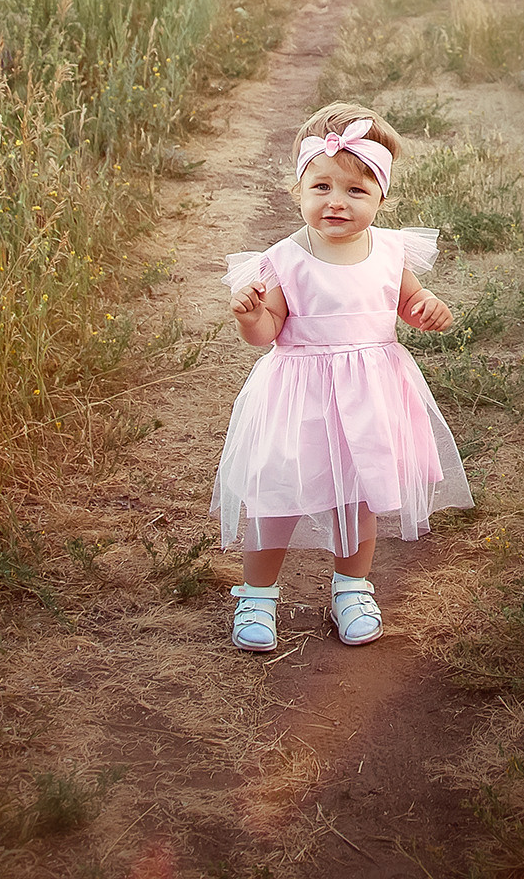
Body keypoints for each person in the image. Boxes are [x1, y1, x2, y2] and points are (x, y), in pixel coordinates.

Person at [211, 102, 473, 652]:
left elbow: (407, 301)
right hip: (298, 396)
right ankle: (258, 594)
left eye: (356, 191)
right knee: (276, 492)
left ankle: (351, 587)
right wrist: (250, 314)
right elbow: (267, 334)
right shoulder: (282, 260)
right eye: (322, 186)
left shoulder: (389, 251)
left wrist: (426, 306)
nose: (337, 201)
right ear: (298, 190)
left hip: (370, 392)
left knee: (357, 492)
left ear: (381, 196)